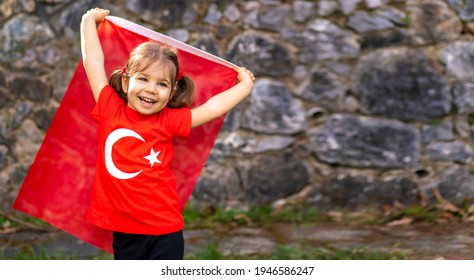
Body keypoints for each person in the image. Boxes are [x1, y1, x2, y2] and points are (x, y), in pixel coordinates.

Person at [80, 8, 255, 260]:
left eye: (161, 84)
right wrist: (88, 21)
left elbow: (212, 108)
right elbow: (92, 61)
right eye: (143, 79)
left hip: (165, 229)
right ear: (127, 81)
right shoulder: (110, 108)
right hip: (125, 231)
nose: (151, 89)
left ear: (172, 92)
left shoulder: (169, 121)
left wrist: (244, 88)